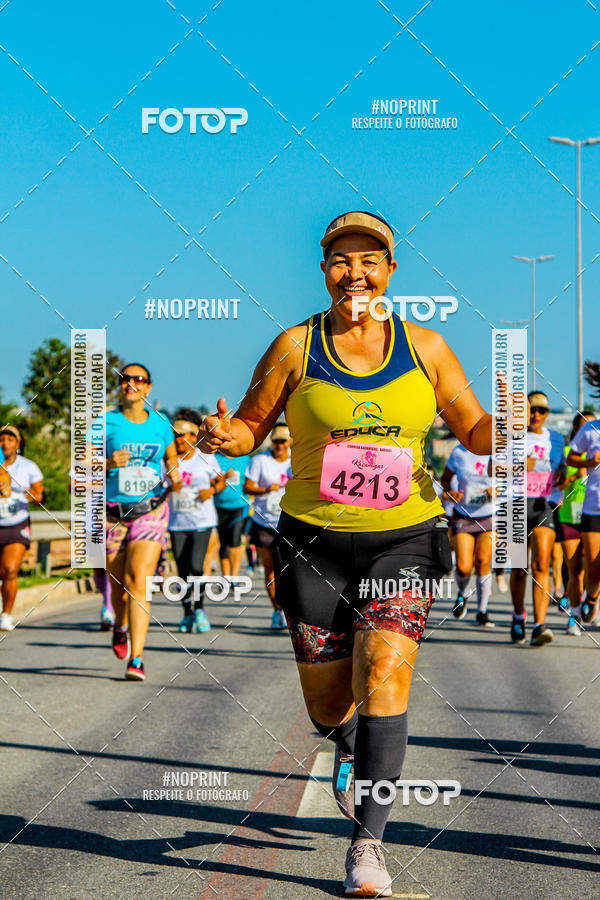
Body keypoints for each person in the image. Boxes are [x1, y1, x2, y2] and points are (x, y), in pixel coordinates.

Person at [197, 210, 500, 897]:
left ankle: (368, 843)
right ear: (324, 270)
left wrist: (503, 424)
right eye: (341, 260)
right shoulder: (294, 346)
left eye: (369, 261)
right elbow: (250, 426)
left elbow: (475, 431)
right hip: (313, 542)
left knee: (385, 671)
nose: (354, 273)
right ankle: (344, 744)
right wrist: (223, 435)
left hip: (405, 536)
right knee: (329, 702)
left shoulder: (426, 347)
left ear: (390, 271)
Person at [105, 363, 181, 680]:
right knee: (118, 588)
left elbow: (171, 459)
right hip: (112, 513)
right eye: (125, 379)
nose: (131, 383)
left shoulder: (161, 423)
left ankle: (137, 658)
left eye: (138, 379)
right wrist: (107, 462)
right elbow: (81, 465)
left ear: (148, 387)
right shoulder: (105, 422)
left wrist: (175, 475)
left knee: (138, 580)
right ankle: (120, 624)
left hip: (151, 509)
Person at [509, 392, 564, 646]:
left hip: (544, 505)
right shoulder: (510, 436)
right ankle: (518, 616)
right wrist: (518, 467)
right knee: (520, 569)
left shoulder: (556, 439)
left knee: (542, 564)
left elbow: (561, 468)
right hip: (516, 504)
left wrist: (563, 477)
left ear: (548, 413)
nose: (536, 415)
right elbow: (491, 468)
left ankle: (539, 625)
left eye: (542, 410)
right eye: (532, 409)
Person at [168, 409, 224, 634]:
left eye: (181, 435)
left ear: (192, 436)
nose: (177, 440)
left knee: (195, 566)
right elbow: (158, 489)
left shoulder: (205, 458)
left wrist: (211, 490)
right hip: (177, 522)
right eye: (174, 435)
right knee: (182, 570)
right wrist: (170, 487)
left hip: (202, 521)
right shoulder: (169, 461)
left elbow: (220, 481)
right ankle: (186, 613)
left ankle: (199, 608)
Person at [441, 445, 496, 626]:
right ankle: (463, 594)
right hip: (464, 516)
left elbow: (512, 480)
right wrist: (451, 493)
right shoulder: (458, 452)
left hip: (489, 515)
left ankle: (482, 611)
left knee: (483, 562)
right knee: (463, 568)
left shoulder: (496, 450)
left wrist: (498, 490)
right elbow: (445, 479)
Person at [244, 424, 292, 629]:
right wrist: (265, 489)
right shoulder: (260, 461)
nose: (279, 445)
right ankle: (277, 611)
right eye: (276, 441)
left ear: (290, 442)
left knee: (291, 572)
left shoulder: (297, 461)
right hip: (264, 523)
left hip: (290, 524)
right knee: (271, 571)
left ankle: (292, 611)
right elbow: (247, 487)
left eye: (283, 441)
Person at [0, 426, 44, 631]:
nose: (5, 443)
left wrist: (31, 495)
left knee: (9, 570)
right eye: (2, 439)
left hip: (17, 523)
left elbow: (40, 495)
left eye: (10, 439)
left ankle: (6, 615)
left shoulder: (28, 467)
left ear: (18, 443)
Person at [558, 412, 593, 635]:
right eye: (584, 426)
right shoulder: (567, 453)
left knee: (593, 566)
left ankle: (591, 601)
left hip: (593, 515)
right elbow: (557, 483)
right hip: (570, 516)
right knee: (574, 570)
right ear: (576, 430)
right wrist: (574, 477)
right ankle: (575, 615)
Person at [213, 449, 250, 577]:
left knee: (235, 540)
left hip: (239, 506)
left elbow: (251, 481)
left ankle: (234, 577)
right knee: (223, 543)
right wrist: (224, 478)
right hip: (219, 506)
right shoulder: (214, 458)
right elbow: (209, 481)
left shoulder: (245, 458)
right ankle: (226, 577)